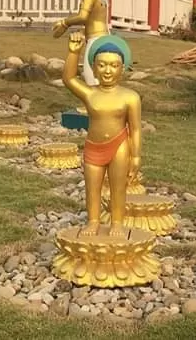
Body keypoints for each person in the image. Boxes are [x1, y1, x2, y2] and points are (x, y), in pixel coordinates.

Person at [62, 31, 141, 238]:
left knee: (118, 187)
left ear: (122, 69)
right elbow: (69, 78)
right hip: (93, 147)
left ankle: (117, 222)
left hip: (119, 146)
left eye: (114, 65)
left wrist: (136, 156)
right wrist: (73, 52)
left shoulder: (130, 97)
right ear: (94, 68)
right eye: (102, 65)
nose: (108, 71)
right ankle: (93, 221)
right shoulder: (90, 93)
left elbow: (135, 129)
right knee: (92, 187)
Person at [52, 0, 109, 86]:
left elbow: (83, 17)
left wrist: (65, 22)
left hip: (95, 39)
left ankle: (95, 104)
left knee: (90, 76)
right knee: (100, 75)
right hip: (104, 35)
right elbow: (94, 18)